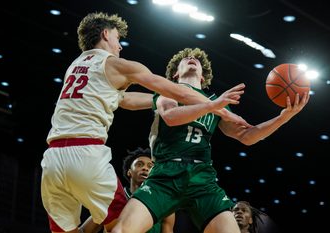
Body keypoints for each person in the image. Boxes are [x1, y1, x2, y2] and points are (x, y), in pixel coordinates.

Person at [40, 11, 247, 233]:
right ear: (106, 34)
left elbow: (126, 100)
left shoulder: (74, 66)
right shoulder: (117, 64)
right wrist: (221, 109)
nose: (120, 47)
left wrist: (160, 102)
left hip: (51, 161)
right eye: (118, 39)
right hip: (85, 154)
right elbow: (178, 92)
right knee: (123, 225)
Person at [110, 47, 309, 233]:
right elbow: (171, 117)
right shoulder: (168, 91)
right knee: (121, 230)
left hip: (202, 178)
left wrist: (284, 118)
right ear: (175, 74)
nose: (191, 59)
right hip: (165, 174)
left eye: (196, 60)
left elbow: (247, 136)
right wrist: (213, 106)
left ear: (203, 76)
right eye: (185, 59)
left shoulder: (215, 100)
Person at [80, 147, 174, 233]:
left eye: (150, 166)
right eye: (139, 164)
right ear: (129, 172)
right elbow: (84, 231)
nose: (145, 168)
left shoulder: (162, 201)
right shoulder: (112, 197)